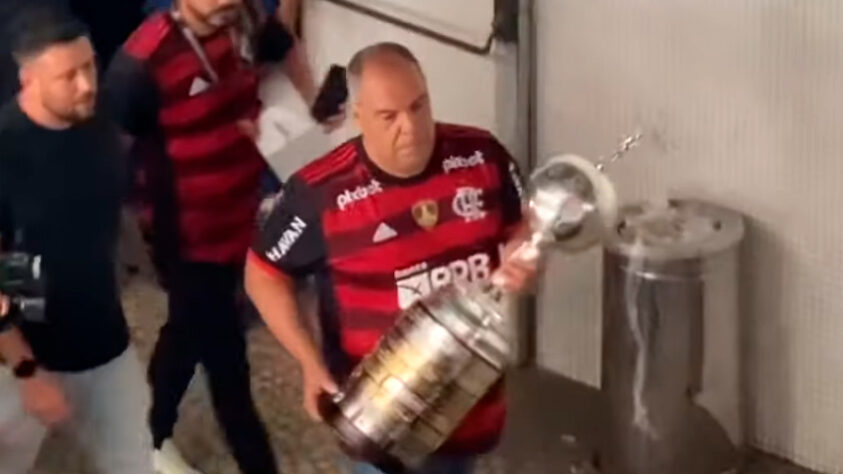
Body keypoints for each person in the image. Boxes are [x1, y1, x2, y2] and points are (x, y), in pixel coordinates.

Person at [245, 42, 538, 474]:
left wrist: (524, 255)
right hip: (381, 418)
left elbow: (522, 227)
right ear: (359, 116)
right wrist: (309, 361)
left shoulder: (483, 156)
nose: (412, 127)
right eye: (390, 116)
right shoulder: (321, 194)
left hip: (468, 408)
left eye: (420, 106)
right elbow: (263, 273)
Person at [104, 0, 329, 473]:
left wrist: (308, 112)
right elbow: (109, 157)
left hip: (240, 220)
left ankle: (147, 434)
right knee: (229, 370)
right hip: (185, 238)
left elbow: (284, 46)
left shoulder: (242, 18)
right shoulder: (142, 62)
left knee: (186, 332)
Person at [0, 7, 153, 474]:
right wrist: (27, 369)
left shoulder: (97, 118)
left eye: (89, 67)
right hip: (19, 356)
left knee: (130, 458)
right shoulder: (6, 151)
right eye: (68, 76)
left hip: (102, 337)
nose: (86, 84)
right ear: (29, 79)